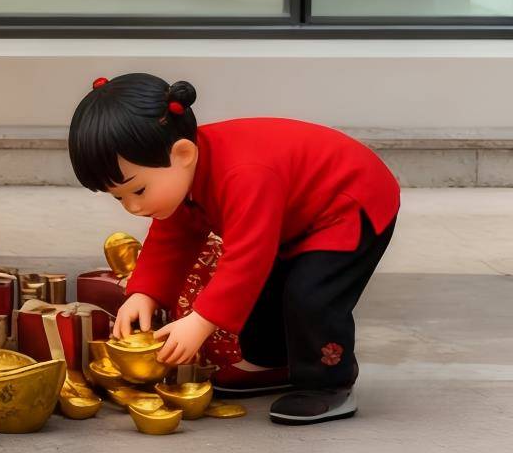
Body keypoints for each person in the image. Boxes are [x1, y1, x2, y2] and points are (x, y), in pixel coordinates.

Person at [67, 73, 400, 427]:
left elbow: (247, 258)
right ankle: (272, 362)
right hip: (295, 215)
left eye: (138, 190)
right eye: (119, 197)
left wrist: (201, 321)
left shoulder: (243, 174)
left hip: (349, 202)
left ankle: (329, 383)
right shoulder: (186, 177)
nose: (132, 207)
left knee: (311, 296)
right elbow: (171, 239)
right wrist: (144, 294)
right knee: (269, 288)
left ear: (182, 154)